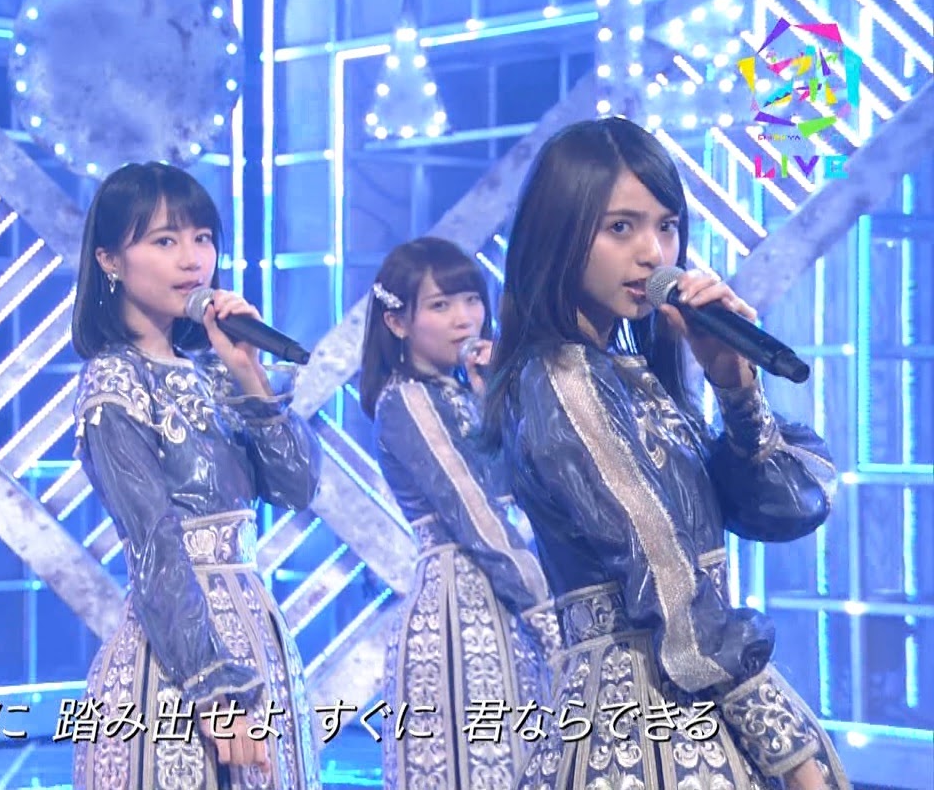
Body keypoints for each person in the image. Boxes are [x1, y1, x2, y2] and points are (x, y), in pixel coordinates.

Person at [482, 116, 848, 790]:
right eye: (621, 227)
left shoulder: (627, 374)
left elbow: (784, 508)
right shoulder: (564, 381)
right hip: (643, 723)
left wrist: (735, 385)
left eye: (667, 226)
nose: (653, 254)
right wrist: (793, 754)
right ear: (560, 232)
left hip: (694, 707)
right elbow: (672, 584)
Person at [68, 161, 322, 789]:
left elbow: (298, 487)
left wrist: (249, 372)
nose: (192, 259)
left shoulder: (214, 371)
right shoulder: (113, 382)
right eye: (165, 240)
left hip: (260, 638)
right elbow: (153, 541)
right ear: (109, 260)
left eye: (203, 237)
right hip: (178, 673)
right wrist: (214, 693)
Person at [358, 237, 560, 788]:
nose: (464, 318)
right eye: (441, 305)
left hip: (516, 603)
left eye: (471, 299)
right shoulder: (407, 400)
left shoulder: (469, 392)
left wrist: (498, 397)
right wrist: (549, 616)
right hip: (462, 617)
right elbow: (479, 516)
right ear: (397, 322)